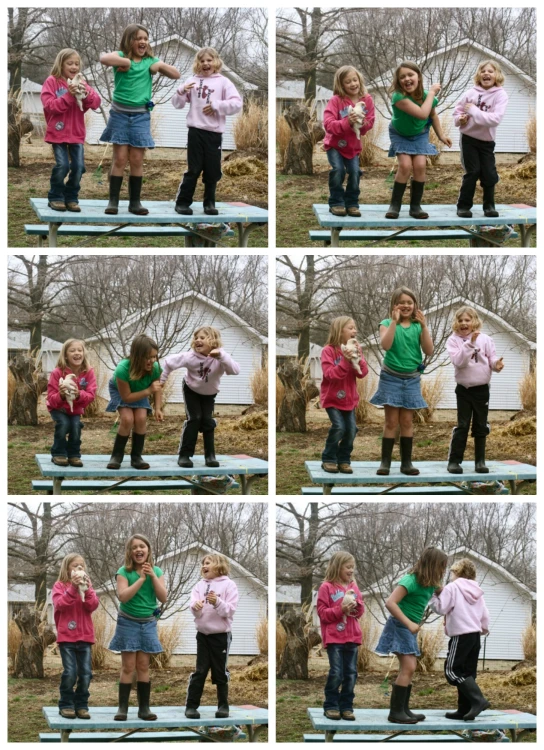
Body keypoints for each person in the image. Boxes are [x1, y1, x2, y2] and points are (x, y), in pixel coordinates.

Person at [99, 24, 180, 215]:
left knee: (136, 159)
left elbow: (176, 74)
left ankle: (135, 203)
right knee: (119, 159)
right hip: (119, 114)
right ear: (129, 41)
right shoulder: (120, 57)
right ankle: (113, 201)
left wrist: (159, 66)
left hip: (141, 116)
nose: (142, 41)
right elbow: (103, 58)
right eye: (138, 38)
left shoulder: (150, 61)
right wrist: (124, 62)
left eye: (145, 38)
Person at [375, 547, 448, 724]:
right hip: (400, 626)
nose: (443, 571)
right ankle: (396, 712)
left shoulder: (432, 583)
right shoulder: (410, 580)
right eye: (441, 567)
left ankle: (403, 709)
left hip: (408, 628)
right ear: (432, 565)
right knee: (409, 667)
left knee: (409, 667)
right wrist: (409, 623)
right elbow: (390, 603)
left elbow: (446, 595)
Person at [370, 287, 433, 476]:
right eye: (402, 302)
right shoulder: (387, 323)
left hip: (412, 378)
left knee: (406, 421)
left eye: (409, 302)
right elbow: (386, 345)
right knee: (391, 421)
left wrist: (424, 326)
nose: (406, 305)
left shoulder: (417, 326)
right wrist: (394, 323)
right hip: (391, 377)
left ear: (415, 306)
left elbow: (428, 350)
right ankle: (385, 463)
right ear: (394, 305)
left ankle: (406, 463)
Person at [172, 47, 242, 215]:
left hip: (214, 133)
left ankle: (209, 203)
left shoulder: (223, 82)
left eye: (209, 60)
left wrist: (217, 106)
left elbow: (237, 103)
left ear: (216, 62)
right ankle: (182, 202)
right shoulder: (192, 81)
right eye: (202, 61)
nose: (206, 64)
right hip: (195, 131)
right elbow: (177, 104)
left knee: (212, 170)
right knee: (194, 169)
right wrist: (181, 91)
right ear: (198, 63)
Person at [160, 326, 239, 468]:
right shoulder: (190, 357)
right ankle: (184, 455)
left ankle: (210, 456)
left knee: (207, 421)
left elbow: (235, 370)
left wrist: (221, 356)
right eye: (196, 338)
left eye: (202, 338)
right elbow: (169, 362)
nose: (198, 340)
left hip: (209, 393)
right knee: (195, 418)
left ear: (213, 341)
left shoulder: (221, 357)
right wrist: (162, 381)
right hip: (191, 389)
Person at [109, 534, 167, 721]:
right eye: (134, 547)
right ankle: (123, 709)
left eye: (142, 546)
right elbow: (123, 596)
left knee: (143, 666)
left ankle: (144, 709)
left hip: (148, 622)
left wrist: (151, 576)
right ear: (130, 552)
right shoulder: (123, 572)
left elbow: (163, 597)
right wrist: (141, 579)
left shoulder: (157, 571)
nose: (138, 550)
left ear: (148, 549)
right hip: (128, 622)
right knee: (128, 667)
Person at [385, 61, 452, 219]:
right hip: (400, 134)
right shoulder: (398, 96)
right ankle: (395, 205)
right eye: (402, 77)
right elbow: (422, 114)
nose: (407, 79)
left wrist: (441, 135)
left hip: (420, 133)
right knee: (405, 166)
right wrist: (431, 94)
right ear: (398, 81)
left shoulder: (426, 96)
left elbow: (432, 115)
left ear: (418, 77)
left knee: (420, 166)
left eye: (410, 75)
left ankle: (415, 207)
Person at [429, 558, 490, 721]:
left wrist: (433, 596)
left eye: (452, 572)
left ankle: (478, 700)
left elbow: (441, 608)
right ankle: (464, 709)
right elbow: (484, 613)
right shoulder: (477, 590)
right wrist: (483, 629)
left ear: (457, 572)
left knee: (452, 671)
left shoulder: (453, 587)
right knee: (468, 672)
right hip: (475, 635)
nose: (450, 576)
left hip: (461, 635)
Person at [41, 49, 101, 212]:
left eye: (76, 63)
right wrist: (69, 95)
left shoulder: (81, 82)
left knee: (79, 167)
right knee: (62, 165)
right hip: (58, 132)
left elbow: (95, 102)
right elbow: (50, 106)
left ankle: (71, 197)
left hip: (76, 133)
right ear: (60, 64)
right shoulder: (52, 82)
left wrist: (86, 92)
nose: (74, 66)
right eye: (70, 63)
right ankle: (55, 196)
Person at [446, 306, 504, 474]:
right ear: (456, 323)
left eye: (468, 320)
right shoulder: (453, 340)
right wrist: (469, 344)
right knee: (462, 425)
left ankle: (480, 461)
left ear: (475, 321)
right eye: (461, 320)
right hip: (464, 390)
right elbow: (459, 361)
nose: (464, 323)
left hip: (481, 390)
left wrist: (496, 365)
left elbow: (491, 358)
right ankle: (454, 462)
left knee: (480, 424)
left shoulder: (485, 339)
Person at [186, 553, 239, 719]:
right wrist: (195, 606)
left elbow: (229, 611)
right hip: (202, 635)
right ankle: (191, 706)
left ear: (219, 565)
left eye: (208, 562)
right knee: (200, 671)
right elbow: (195, 612)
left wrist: (217, 602)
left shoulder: (229, 585)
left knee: (220, 671)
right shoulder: (199, 586)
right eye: (203, 563)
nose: (204, 565)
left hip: (221, 636)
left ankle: (223, 705)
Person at [454, 60, 508, 218]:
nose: (486, 74)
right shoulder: (470, 93)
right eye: (483, 71)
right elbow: (457, 113)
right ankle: (463, 206)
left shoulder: (501, 95)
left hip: (487, 142)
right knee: (472, 171)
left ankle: (489, 206)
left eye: (491, 71)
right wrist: (461, 119)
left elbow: (494, 119)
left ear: (497, 75)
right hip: (469, 139)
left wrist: (474, 111)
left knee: (489, 174)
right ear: (478, 75)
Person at [316, 551, 364, 721]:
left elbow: (360, 612)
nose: (351, 570)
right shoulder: (326, 587)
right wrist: (341, 610)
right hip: (335, 637)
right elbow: (322, 614)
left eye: (353, 567)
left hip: (352, 637)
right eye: (348, 567)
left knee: (351, 673)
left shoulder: (353, 587)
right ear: (337, 567)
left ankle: (346, 706)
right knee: (336, 672)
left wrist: (356, 605)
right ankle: (331, 705)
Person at [323, 65, 375, 217]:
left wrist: (363, 123)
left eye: (355, 80)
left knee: (355, 172)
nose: (353, 84)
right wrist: (347, 122)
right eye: (348, 82)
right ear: (341, 84)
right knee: (338, 170)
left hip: (353, 145)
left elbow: (370, 122)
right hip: (335, 145)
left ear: (359, 80)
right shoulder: (336, 101)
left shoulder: (367, 100)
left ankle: (352, 202)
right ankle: (336, 202)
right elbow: (328, 124)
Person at [106, 334, 163, 470]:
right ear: (137, 356)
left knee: (141, 418)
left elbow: (157, 389)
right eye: (147, 357)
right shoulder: (123, 369)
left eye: (154, 356)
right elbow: (127, 397)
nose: (152, 360)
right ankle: (117, 456)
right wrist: (148, 390)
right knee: (127, 419)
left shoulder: (155, 368)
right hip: (122, 391)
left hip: (142, 389)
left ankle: (136, 457)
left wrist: (158, 408)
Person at [52, 554, 99, 718]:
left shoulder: (87, 586)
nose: (79, 568)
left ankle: (81, 705)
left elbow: (92, 605)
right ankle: (66, 704)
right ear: (67, 569)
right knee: (70, 672)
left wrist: (86, 589)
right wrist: (73, 588)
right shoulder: (59, 586)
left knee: (86, 673)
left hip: (85, 638)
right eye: (75, 566)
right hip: (67, 638)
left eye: (82, 566)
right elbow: (60, 605)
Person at [320, 317, 368, 474]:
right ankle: (328, 458)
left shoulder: (355, 349)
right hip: (332, 398)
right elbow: (330, 375)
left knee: (352, 429)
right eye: (350, 328)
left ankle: (344, 460)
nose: (354, 331)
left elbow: (362, 374)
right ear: (339, 331)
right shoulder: (328, 351)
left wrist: (358, 358)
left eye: (355, 328)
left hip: (349, 398)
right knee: (339, 427)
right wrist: (346, 361)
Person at [46, 339, 97, 467]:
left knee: (75, 425)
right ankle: (58, 453)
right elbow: (51, 398)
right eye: (72, 350)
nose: (77, 353)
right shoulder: (58, 373)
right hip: (58, 408)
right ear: (65, 355)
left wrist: (79, 394)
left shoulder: (88, 372)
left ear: (84, 353)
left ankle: (74, 454)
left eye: (80, 350)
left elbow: (91, 395)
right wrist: (61, 395)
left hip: (75, 409)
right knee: (63, 423)